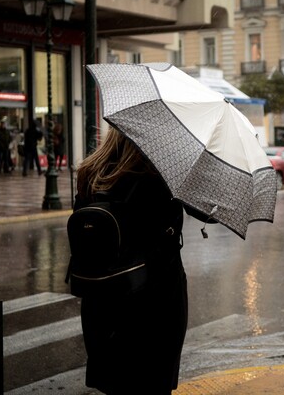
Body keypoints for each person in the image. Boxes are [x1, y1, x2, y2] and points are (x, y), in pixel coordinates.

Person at [75, 128, 211, 394]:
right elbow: (210, 213)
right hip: (155, 302)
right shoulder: (163, 175)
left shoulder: (90, 172)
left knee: (114, 384)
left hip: (102, 301)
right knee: (152, 385)